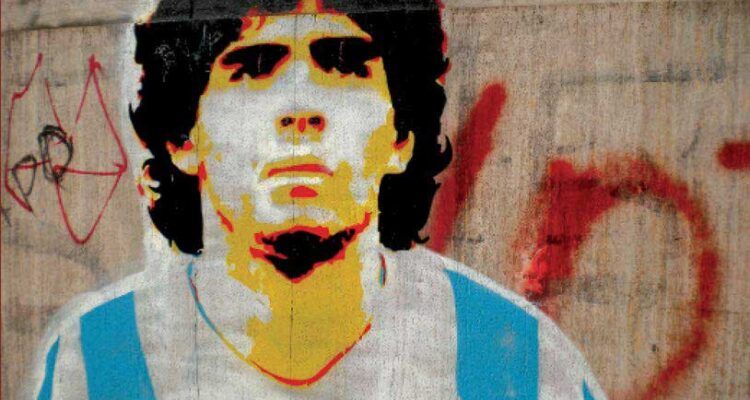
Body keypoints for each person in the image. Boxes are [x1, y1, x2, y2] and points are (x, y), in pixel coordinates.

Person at [30, 0, 606, 398]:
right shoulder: (99, 358)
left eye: (345, 64)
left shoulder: (513, 361)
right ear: (183, 137)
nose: (300, 107)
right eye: (253, 67)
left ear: (402, 135)